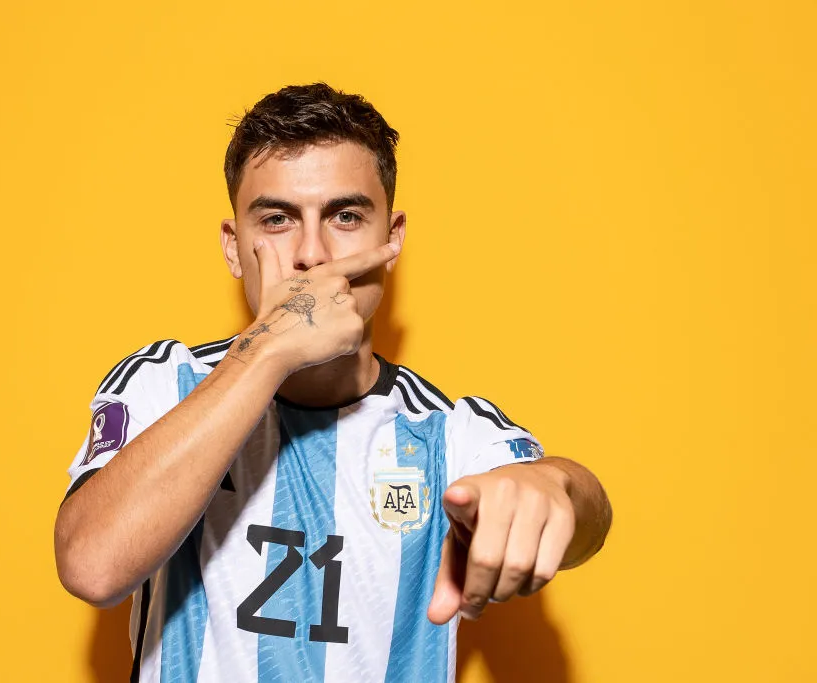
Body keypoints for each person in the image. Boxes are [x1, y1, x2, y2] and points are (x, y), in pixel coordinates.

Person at [54, 83, 612, 683]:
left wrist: (552, 484)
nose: (313, 254)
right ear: (234, 248)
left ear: (392, 240)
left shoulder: (444, 434)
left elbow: (585, 515)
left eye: (346, 217)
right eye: (277, 219)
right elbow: (91, 566)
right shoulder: (166, 382)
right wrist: (271, 347)